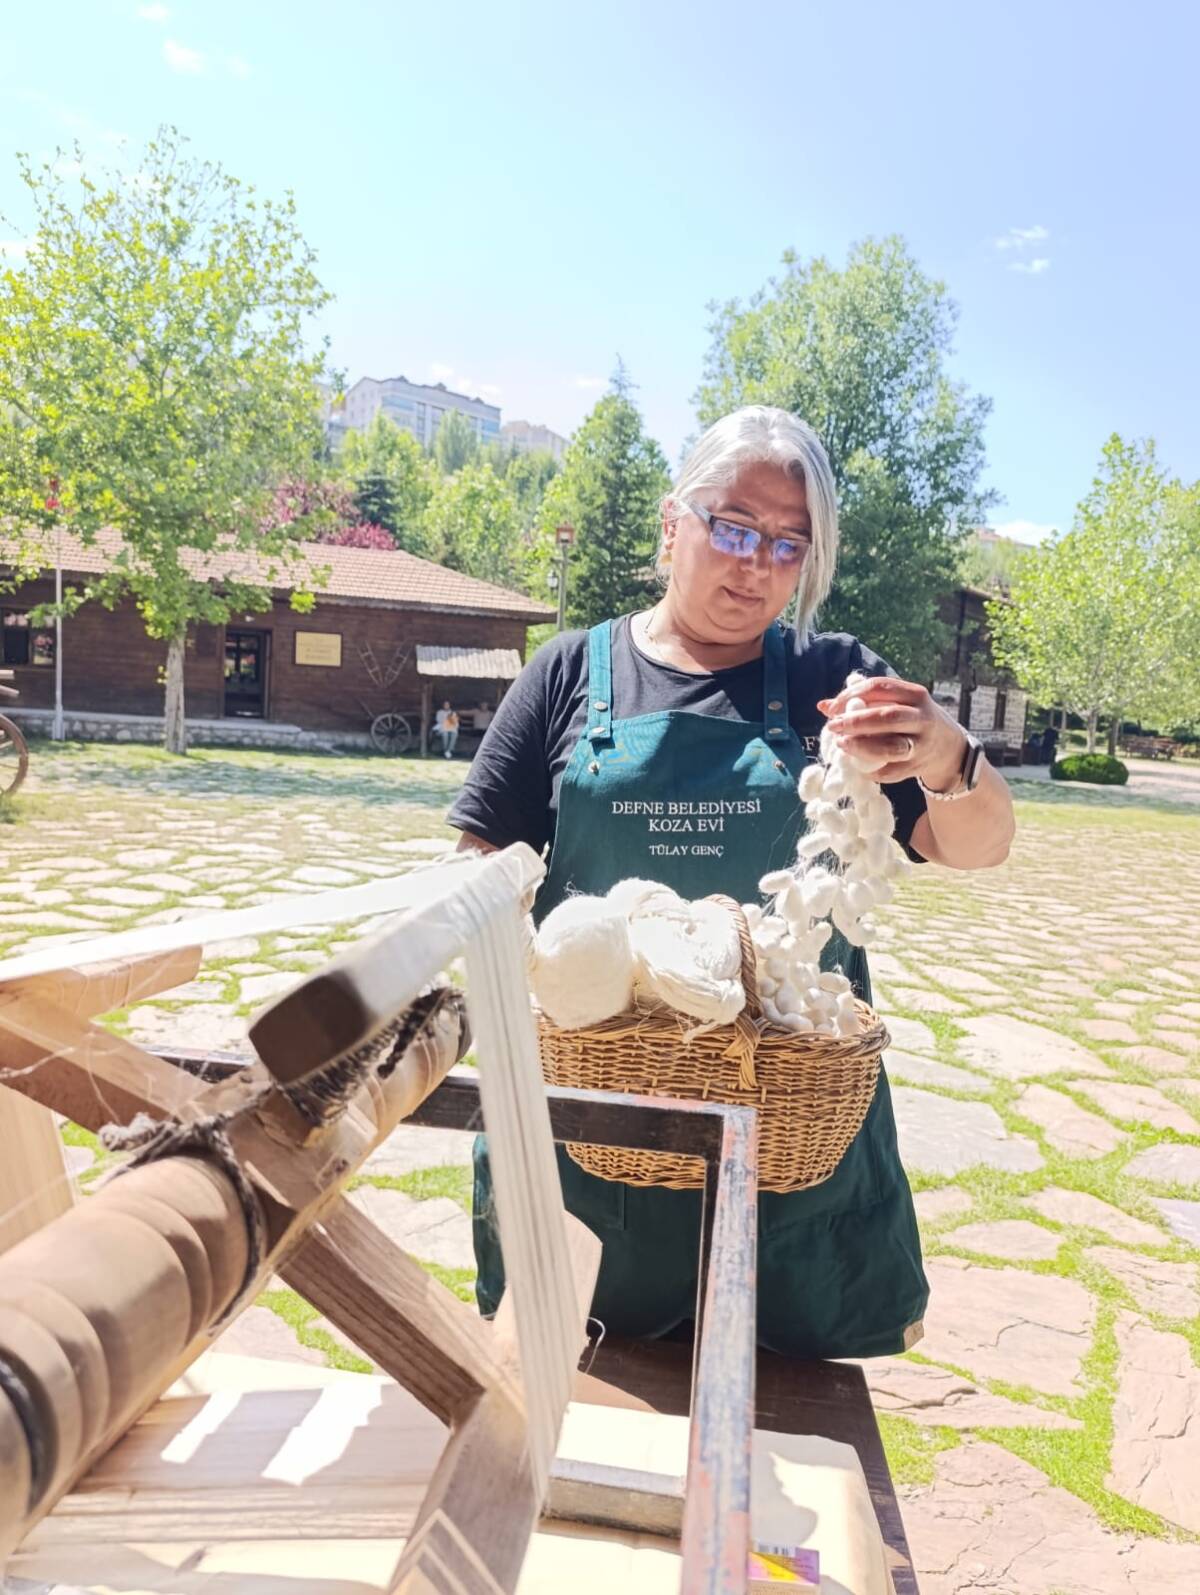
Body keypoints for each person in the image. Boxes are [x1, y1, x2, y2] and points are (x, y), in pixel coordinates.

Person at [449, 405, 1015, 1359]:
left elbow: (980, 845)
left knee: (788, 1426)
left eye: (790, 544)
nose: (758, 563)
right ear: (673, 522)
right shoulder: (565, 674)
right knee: (573, 1406)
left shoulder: (833, 681)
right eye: (736, 526)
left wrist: (946, 755)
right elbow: (477, 870)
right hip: (593, 1131)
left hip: (787, 1135)